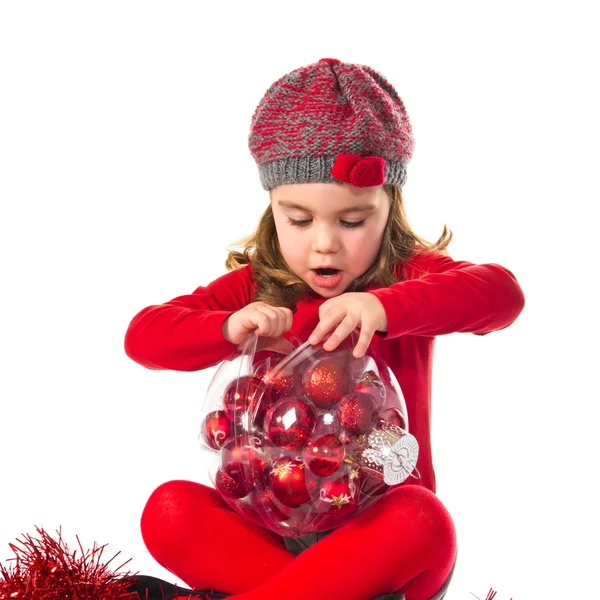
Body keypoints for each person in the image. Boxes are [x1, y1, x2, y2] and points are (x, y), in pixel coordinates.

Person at [122, 57, 525, 600]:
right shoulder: (256, 288)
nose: (325, 243)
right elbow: (143, 336)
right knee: (168, 510)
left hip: (380, 544)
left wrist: (389, 308)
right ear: (271, 208)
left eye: (352, 221)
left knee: (423, 520)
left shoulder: (405, 281)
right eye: (299, 219)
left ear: (389, 210)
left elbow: (502, 295)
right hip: (263, 531)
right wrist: (227, 327)